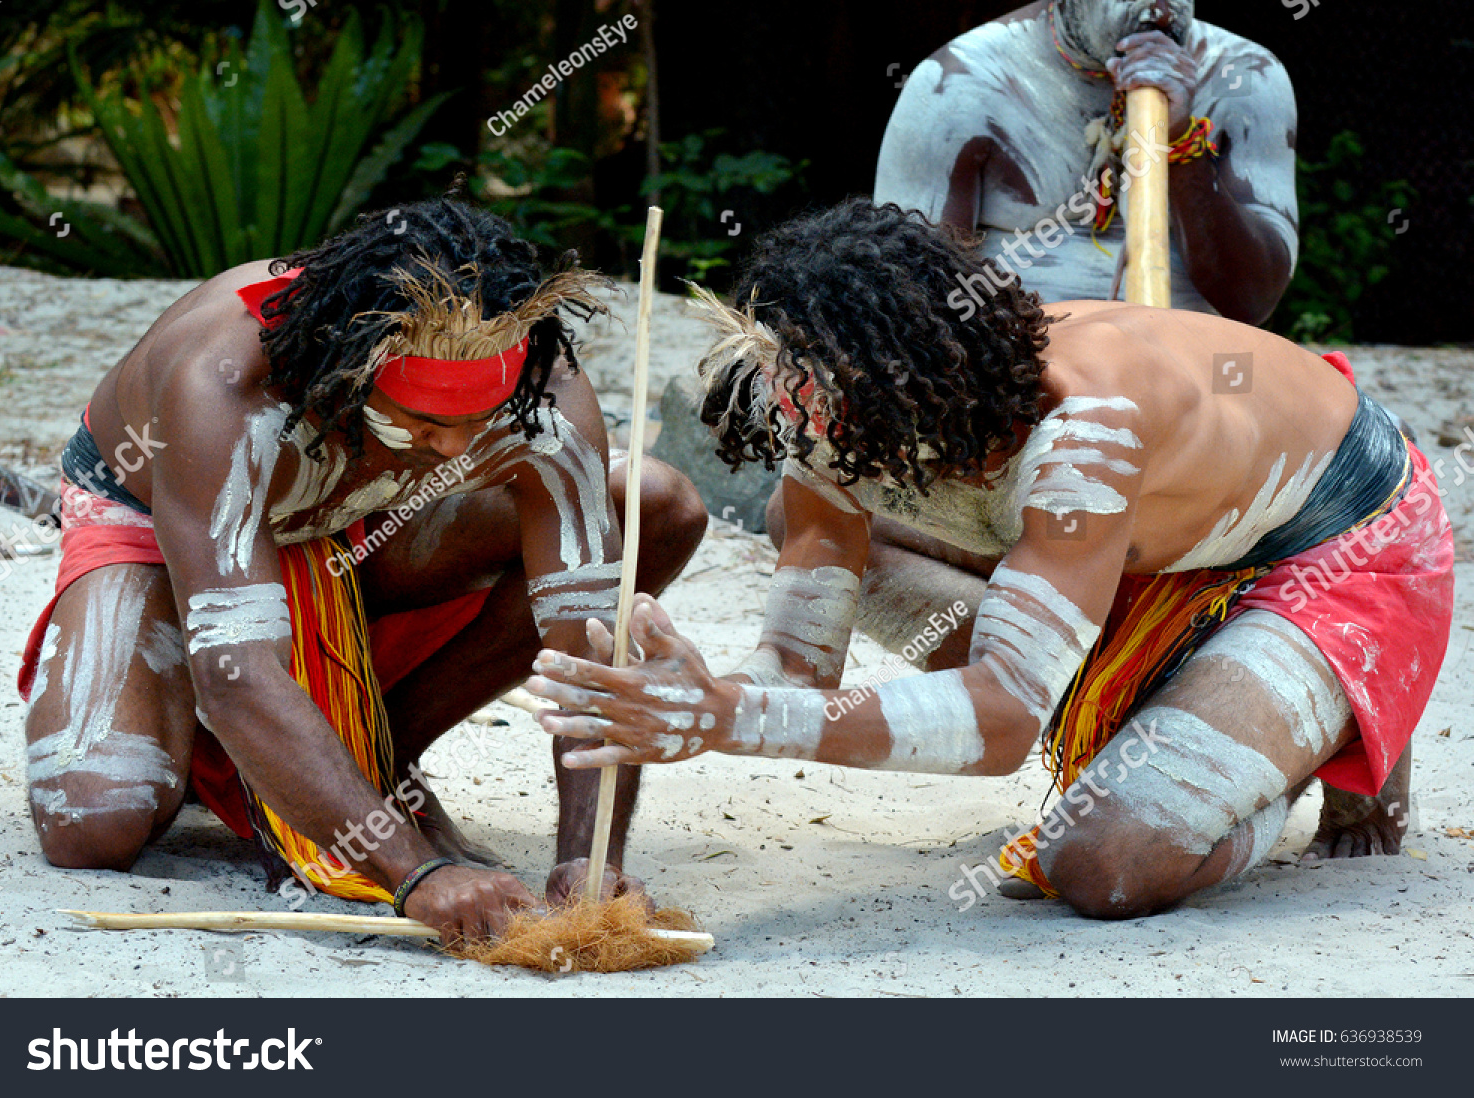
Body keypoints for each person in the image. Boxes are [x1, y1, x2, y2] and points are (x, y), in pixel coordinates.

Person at [526, 198, 1453, 919]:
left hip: (1333, 544)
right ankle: (1186, 710)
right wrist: (689, 693)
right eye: (788, 400)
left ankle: (1320, 724)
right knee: (799, 514)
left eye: (824, 410)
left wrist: (727, 718)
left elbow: (1004, 723)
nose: (802, 434)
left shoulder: (1089, 425)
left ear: (911, 384)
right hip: (1146, 551)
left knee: (1103, 863)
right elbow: (797, 672)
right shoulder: (830, 412)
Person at [19, 182, 707, 944]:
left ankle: (380, 750)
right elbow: (236, 671)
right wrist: (416, 874)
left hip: (364, 520)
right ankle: (226, 739)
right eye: (420, 422)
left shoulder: (539, 386)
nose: (453, 448)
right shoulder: (227, 381)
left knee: (650, 504)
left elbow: (586, 647)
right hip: (164, 519)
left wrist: (590, 862)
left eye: (475, 423)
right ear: (352, 370)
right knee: (94, 817)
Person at [875, 0, 1297, 324]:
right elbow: (914, 309)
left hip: (1190, 384)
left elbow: (1252, 302)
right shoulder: (959, 83)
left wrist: (1181, 142)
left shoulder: (1245, 77)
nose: (1160, 6)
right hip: (1017, 383)